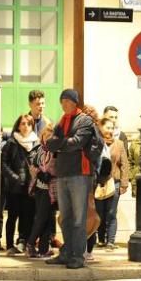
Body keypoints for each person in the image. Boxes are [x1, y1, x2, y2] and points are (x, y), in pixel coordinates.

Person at [48, 88, 95, 269]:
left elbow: (77, 143)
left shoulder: (85, 121)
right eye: (62, 101)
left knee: (78, 218)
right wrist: (63, 143)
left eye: (68, 101)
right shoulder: (62, 121)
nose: (64, 104)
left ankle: (78, 256)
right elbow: (51, 143)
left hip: (80, 174)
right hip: (63, 173)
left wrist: (61, 143)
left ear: (75, 103)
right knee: (65, 217)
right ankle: (66, 252)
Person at [2, 113, 38, 253]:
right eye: (23, 123)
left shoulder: (36, 143)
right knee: (12, 216)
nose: (26, 127)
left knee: (28, 216)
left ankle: (24, 241)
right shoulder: (11, 143)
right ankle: (10, 245)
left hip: (30, 187)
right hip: (14, 187)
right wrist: (14, 177)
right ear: (18, 125)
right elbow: (3, 164)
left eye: (29, 124)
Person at [94, 116, 129, 250]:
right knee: (99, 212)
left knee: (111, 213)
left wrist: (124, 184)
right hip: (99, 183)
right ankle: (101, 238)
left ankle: (111, 241)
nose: (110, 130)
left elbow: (125, 164)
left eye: (112, 128)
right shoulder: (96, 143)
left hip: (114, 182)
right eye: (107, 127)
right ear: (100, 128)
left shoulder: (119, 144)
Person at [26, 124, 58, 259]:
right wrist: (40, 173)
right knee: (41, 218)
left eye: (51, 137)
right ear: (42, 137)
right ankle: (31, 244)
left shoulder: (56, 151)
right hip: (41, 189)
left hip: (53, 189)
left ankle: (43, 249)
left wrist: (50, 174)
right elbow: (33, 165)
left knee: (48, 219)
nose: (48, 139)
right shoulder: (39, 150)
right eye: (46, 136)